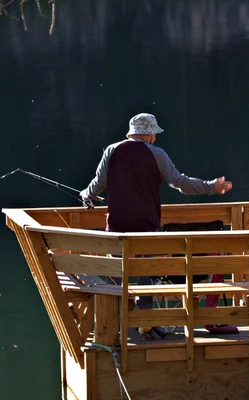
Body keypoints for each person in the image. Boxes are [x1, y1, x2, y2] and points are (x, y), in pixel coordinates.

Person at [80, 113, 232, 336]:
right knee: (145, 273)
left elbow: (98, 183)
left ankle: (114, 324)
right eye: (154, 134)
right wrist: (211, 186)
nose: (156, 138)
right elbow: (180, 183)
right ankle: (145, 321)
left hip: (116, 225)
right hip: (145, 225)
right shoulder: (156, 154)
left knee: (118, 274)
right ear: (149, 134)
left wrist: (86, 194)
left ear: (131, 132)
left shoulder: (111, 150)